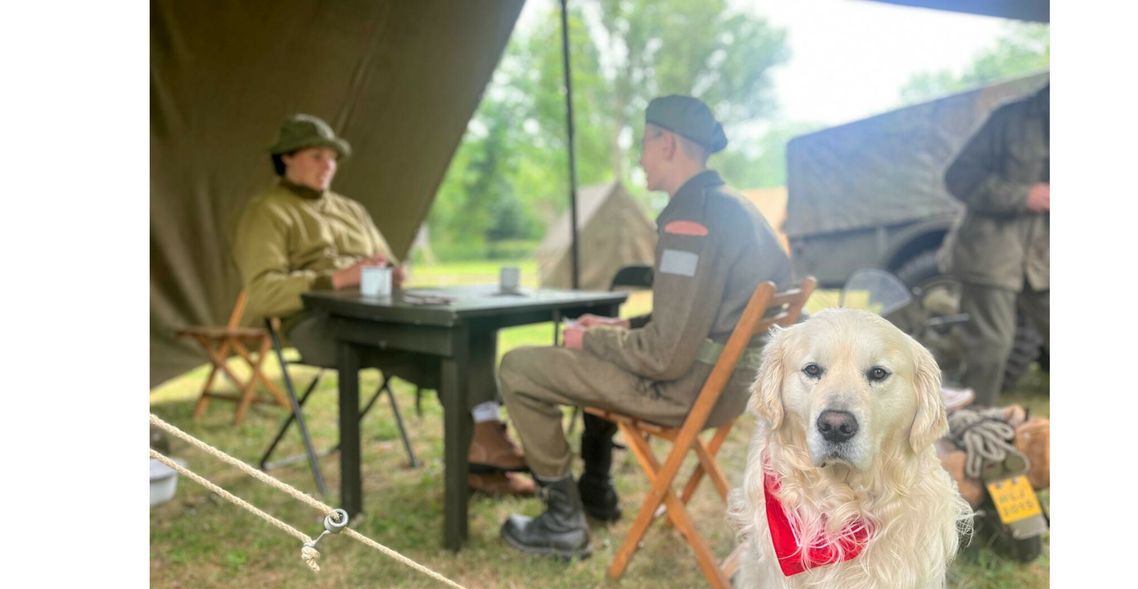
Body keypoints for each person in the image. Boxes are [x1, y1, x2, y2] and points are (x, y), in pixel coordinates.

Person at [497, 96, 793, 559]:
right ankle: (596, 490)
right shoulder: (736, 208)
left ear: (667, 144)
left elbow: (663, 356)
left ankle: (562, 522)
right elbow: (695, 315)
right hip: (726, 391)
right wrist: (620, 325)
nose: (640, 160)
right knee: (598, 349)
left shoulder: (691, 220)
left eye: (644, 146)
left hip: (681, 392)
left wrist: (592, 338)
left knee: (518, 367)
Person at [233, 113, 533, 495]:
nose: (328, 166)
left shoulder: (351, 210)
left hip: (380, 316)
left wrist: (391, 273)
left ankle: (484, 447)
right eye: (316, 156)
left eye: (332, 158)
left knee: (469, 332)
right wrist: (338, 278)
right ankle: (483, 457)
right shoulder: (267, 211)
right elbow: (263, 291)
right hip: (317, 325)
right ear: (286, 157)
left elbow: (386, 261)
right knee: (453, 355)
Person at [942, 83, 1050, 408]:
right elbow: (958, 177)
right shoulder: (1010, 119)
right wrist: (1022, 196)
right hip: (992, 252)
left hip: (1044, 256)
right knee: (990, 347)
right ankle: (975, 422)